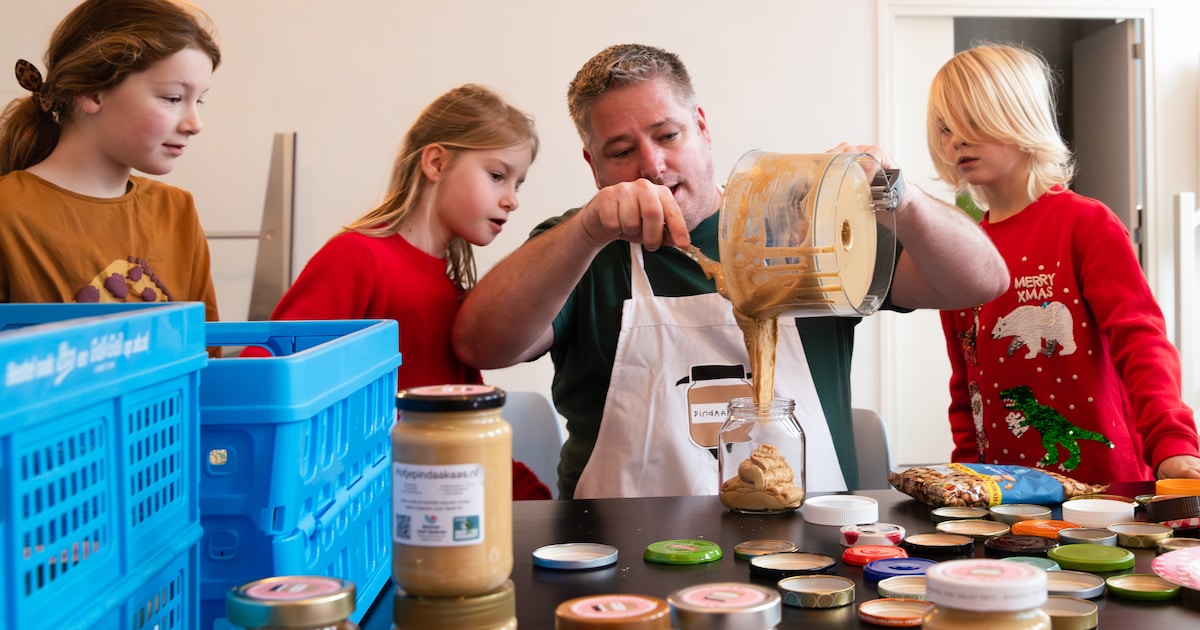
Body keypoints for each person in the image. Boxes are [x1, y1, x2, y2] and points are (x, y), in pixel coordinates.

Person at [452, 43, 1009, 499]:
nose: (653, 165)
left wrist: (899, 196)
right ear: (592, 165)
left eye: (667, 135)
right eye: (621, 151)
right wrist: (585, 232)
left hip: (804, 550)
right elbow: (483, 346)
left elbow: (983, 281)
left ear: (701, 126)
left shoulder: (803, 225)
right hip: (621, 551)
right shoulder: (578, 248)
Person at [247, 84, 551, 500]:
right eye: (497, 176)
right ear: (436, 162)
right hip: (366, 502)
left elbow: (462, 425)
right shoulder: (357, 256)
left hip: (439, 494)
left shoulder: (452, 289)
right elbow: (270, 368)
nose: (512, 200)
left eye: (518, 184)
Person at [929, 44, 1200, 482]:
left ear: (1021, 116)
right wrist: (969, 475)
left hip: (1108, 488)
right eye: (945, 128)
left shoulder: (1086, 225)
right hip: (1004, 493)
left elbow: (1141, 341)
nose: (956, 139)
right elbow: (966, 384)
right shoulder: (962, 251)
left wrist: (1172, 442)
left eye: (972, 120)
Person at [0, 0, 221, 323]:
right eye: (173, 98)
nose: (195, 124)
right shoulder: (8, 213)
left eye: (198, 100)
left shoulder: (177, 210)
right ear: (91, 93)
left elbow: (204, 346)